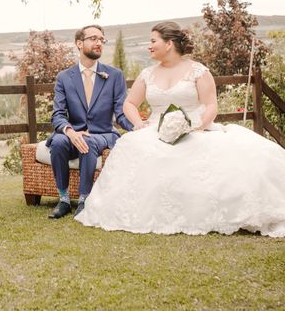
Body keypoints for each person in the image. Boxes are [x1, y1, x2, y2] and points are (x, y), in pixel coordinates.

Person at [76, 22, 285, 236]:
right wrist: (138, 123)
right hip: (155, 130)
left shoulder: (198, 71)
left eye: (153, 41)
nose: (149, 46)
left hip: (195, 128)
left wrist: (198, 126)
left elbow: (211, 105)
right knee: (133, 147)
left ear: (169, 44)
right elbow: (129, 104)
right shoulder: (147, 74)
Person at [46, 24, 133, 219]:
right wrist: (70, 132)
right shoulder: (64, 78)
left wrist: (137, 127)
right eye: (93, 38)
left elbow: (121, 113)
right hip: (74, 133)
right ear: (79, 43)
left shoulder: (115, 75)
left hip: (102, 134)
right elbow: (58, 114)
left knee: (88, 142)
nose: (99, 43)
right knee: (58, 142)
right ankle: (64, 200)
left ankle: (85, 199)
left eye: (102, 39)